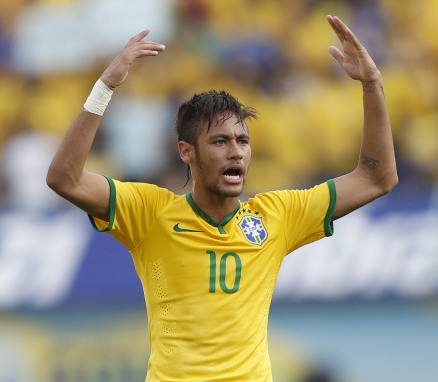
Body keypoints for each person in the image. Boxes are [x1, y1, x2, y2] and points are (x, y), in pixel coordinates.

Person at [47, 15, 397, 382]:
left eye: (242, 141)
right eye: (220, 142)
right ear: (187, 152)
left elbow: (377, 177)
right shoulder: (150, 212)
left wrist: (372, 84)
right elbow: (64, 179)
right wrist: (104, 88)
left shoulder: (276, 215)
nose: (236, 153)